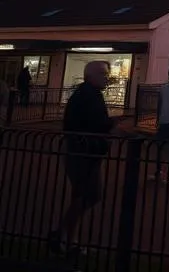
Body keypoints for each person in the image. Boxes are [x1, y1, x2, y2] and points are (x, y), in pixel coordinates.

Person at [48, 61, 129, 258]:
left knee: (86, 195)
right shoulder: (88, 96)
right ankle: (64, 236)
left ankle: (65, 236)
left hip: (84, 152)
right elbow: (94, 124)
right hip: (82, 153)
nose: (106, 77)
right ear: (90, 76)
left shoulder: (88, 94)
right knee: (86, 194)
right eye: (103, 73)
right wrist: (112, 125)